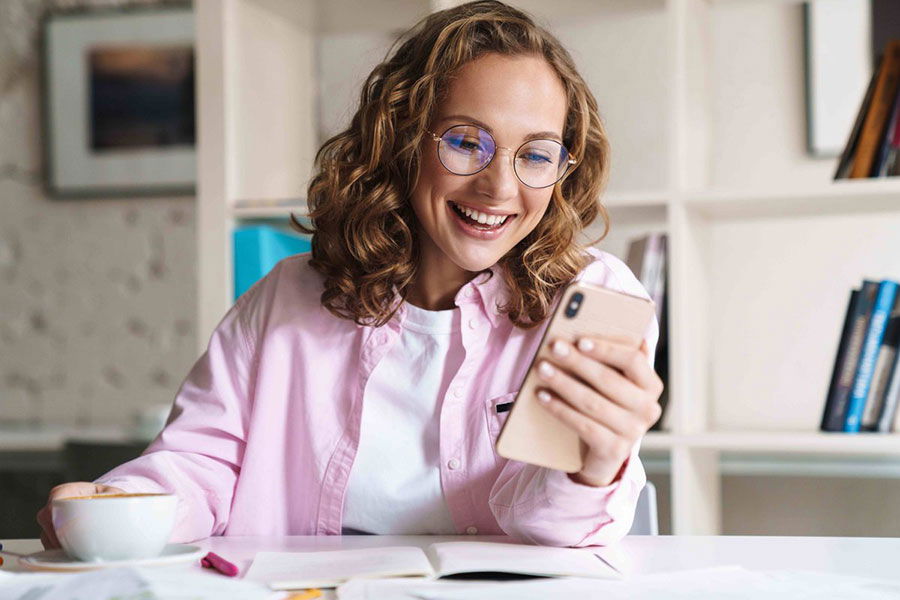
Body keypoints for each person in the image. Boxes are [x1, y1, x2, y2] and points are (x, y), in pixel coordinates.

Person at [37, 0, 663, 549]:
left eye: (535, 153)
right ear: (402, 139)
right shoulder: (285, 298)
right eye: (466, 142)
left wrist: (595, 466)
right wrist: (120, 506)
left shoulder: (589, 299)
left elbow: (544, 530)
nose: (500, 186)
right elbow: (203, 462)